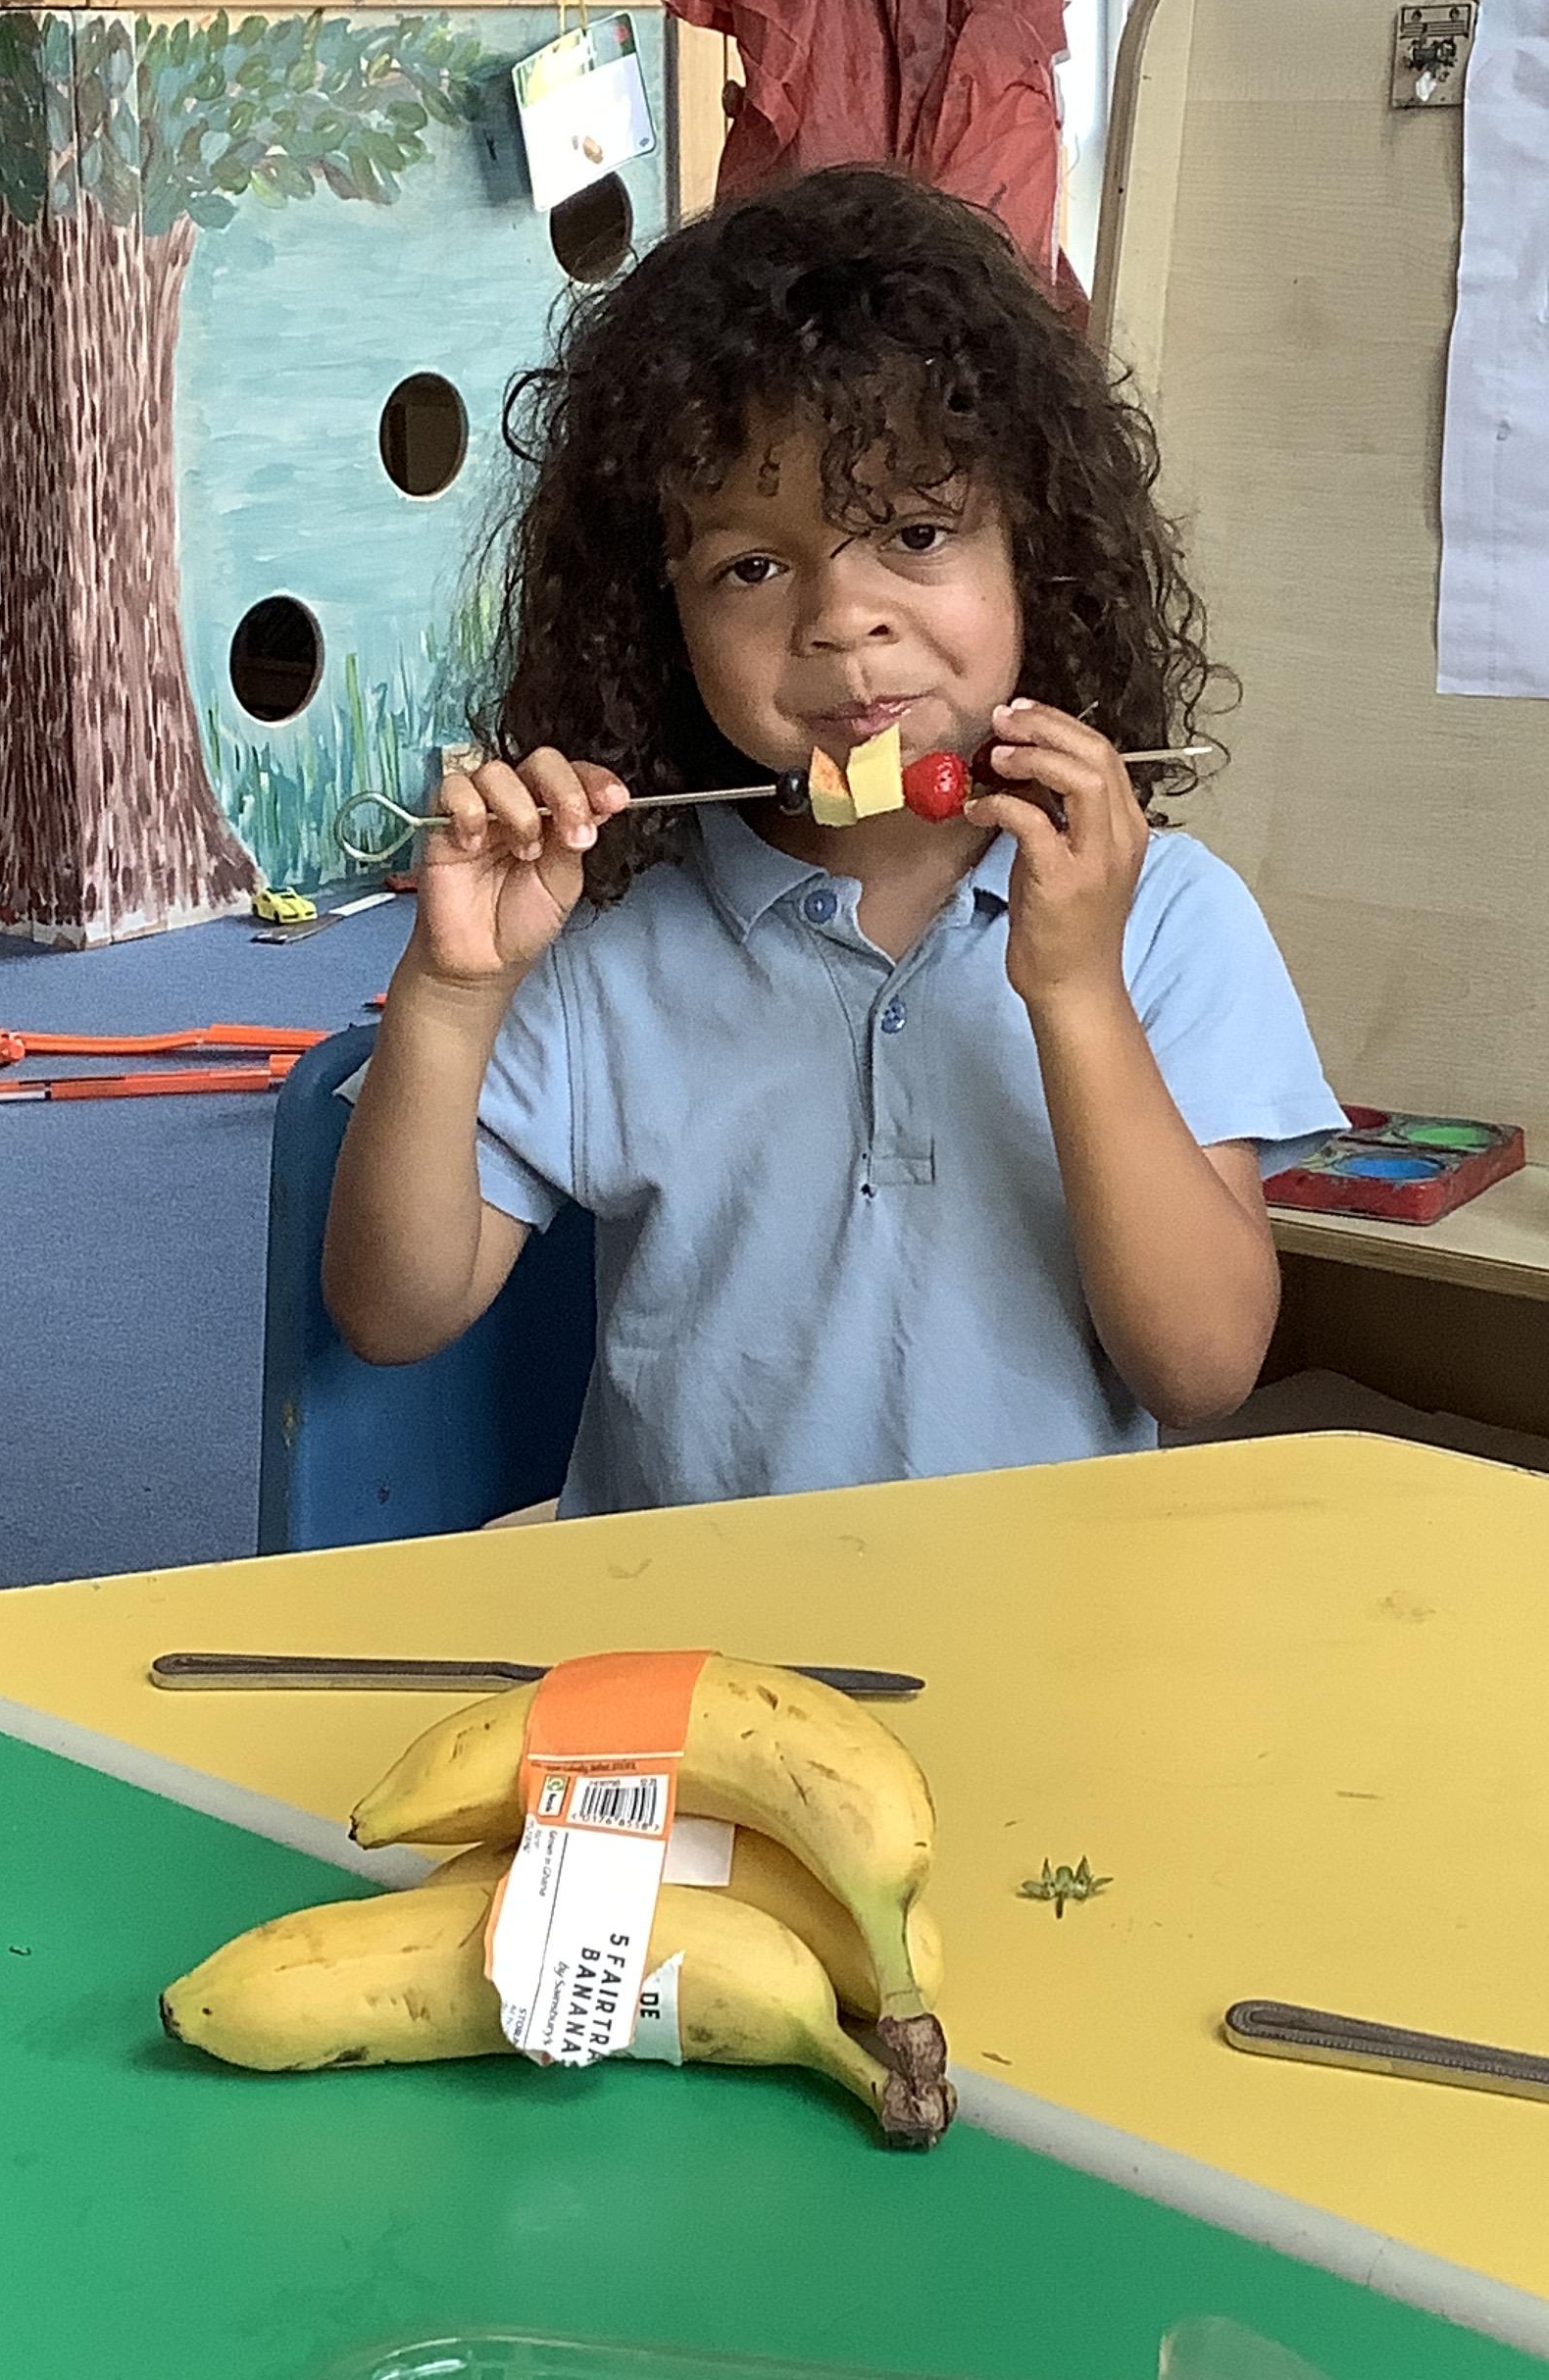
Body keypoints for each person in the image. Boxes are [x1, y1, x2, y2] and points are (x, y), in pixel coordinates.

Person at [324, 165, 1340, 1514]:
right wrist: (452, 998)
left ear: (1037, 559)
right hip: (684, 1615)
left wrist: (1078, 990)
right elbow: (393, 1313)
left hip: (1044, 1616)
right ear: (657, 619)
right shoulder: (607, 922)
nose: (841, 620)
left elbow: (1202, 1369)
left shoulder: (1163, 916)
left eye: (915, 533)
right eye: (752, 566)